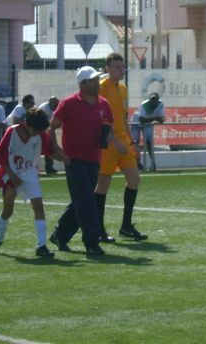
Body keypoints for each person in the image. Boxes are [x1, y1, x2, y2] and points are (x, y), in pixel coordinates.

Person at [48, 66, 113, 256]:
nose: (97, 83)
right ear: (82, 84)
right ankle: (91, 242)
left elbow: (109, 126)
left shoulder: (104, 104)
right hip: (73, 159)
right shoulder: (69, 103)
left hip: (94, 158)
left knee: (82, 199)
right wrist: (57, 151)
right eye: (92, 80)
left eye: (97, 79)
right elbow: (52, 127)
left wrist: (108, 136)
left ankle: (60, 234)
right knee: (87, 201)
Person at [0, 108, 57, 258]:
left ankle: (41, 246)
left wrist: (65, 157)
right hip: (10, 174)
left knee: (39, 207)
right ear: (27, 125)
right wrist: (12, 176)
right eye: (35, 131)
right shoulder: (11, 132)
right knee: (8, 210)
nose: (37, 134)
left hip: (30, 173)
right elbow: (0, 157)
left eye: (39, 131)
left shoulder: (39, 134)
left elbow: (50, 151)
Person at [95, 53, 148, 242]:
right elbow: (100, 119)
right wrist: (112, 140)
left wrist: (132, 142)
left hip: (123, 141)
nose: (121, 70)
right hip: (108, 143)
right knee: (103, 184)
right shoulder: (101, 88)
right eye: (117, 67)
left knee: (134, 179)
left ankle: (126, 226)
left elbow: (123, 118)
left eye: (122, 66)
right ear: (107, 68)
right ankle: (99, 230)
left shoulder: (123, 89)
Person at [130, 92, 165, 172]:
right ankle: (137, 163)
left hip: (148, 124)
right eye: (152, 99)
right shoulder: (145, 104)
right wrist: (155, 118)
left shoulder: (160, 105)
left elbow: (162, 118)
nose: (153, 101)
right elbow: (141, 119)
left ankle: (153, 165)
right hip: (136, 123)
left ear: (158, 100)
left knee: (149, 143)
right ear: (149, 99)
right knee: (135, 142)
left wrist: (160, 119)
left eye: (155, 99)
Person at [38, 97, 60, 174]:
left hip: (46, 130)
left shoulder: (54, 109)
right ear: (52, 103)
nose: (57, 106)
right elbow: (41, 122)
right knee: (38, 149)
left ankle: (49, 167)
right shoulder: (44, 108)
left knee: (49, 148)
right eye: (56, 104)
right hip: (38, 130)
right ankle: (36, 167)